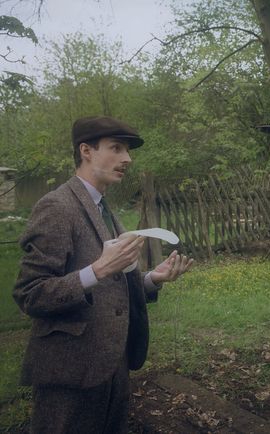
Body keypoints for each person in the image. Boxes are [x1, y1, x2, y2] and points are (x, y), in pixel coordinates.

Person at [13, 116, 193, 434]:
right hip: (70, 373)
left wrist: (152, 278)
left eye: (127, 150)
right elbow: (30, 293)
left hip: (114, 366)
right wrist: (97, 269)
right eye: (116, 148)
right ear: (86, 151)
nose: (127, 158)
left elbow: (113, 282)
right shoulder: (57, 207)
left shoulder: (104, 209)